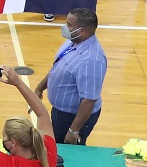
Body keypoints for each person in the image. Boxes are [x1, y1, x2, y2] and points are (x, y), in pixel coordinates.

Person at [34, 8, 106, 144]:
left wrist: (73, 131)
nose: (64, 27)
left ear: (81, 30)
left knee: (67, 152)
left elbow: (89, 100)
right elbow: (58, 67)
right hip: (61, 113)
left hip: (73, 119)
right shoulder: (72, 41)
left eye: (69, 24)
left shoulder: (91, 60)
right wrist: (39, 88)